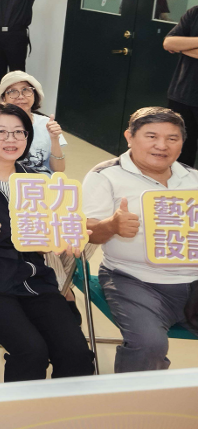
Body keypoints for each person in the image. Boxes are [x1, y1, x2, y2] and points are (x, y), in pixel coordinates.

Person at [0, 103, 94, 382]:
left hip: (34, 278)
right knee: (31, 351)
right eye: (0, 132)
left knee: (76, 353)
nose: (11, 139)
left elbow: (45, 240)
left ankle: (65, 420)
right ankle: (22, 420)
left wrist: (64, 239)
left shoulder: (35, 181)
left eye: (18, 132)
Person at [83, 107, 198, 373]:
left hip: (193, 281)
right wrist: (111, 225)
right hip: (135, 280)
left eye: (172, 138)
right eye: (151, 136)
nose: (162, 145)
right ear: (129, 136)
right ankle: (131, 411)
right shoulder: (106, 175)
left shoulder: (192, 178)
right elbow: (88, 231)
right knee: (148, 344)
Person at [0, 71, 66, 175]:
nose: (20, 96)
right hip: (9, 185)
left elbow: (59, 169)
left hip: (42, 185)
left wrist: (54, 138)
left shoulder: (47, 123)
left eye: (26, 90)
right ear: (3, 98)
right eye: (12, 91)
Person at [162, 3, 198, 166]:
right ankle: (182, 191)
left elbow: (177, 45)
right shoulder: (195, 12)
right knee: (180, 153)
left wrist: (184, 47)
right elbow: (169, 43)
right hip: (182, 95)